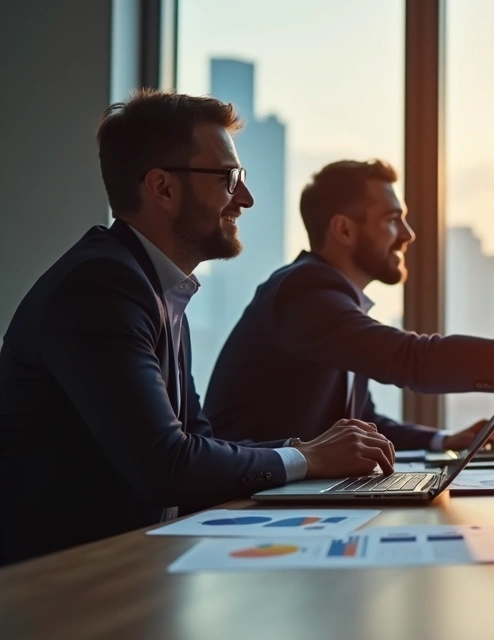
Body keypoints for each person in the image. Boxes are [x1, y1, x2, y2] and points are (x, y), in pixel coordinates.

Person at [0, 91, 398, 565]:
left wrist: (306, 450)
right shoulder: (100, 286)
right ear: (163, 188)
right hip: (58, 583)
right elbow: (167, 464)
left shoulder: (158, 289)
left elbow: (200, 443)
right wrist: (308, 458)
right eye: (229, 179)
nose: (245, 198)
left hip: (129, 565)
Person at [204, 159, 494, 451]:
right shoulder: (304, 293)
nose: (408, 235)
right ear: (344, 229)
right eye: (393, 220)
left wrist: (443, 440)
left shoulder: (327, 301)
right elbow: (416, 359)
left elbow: (363, 421)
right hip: (238, 511)